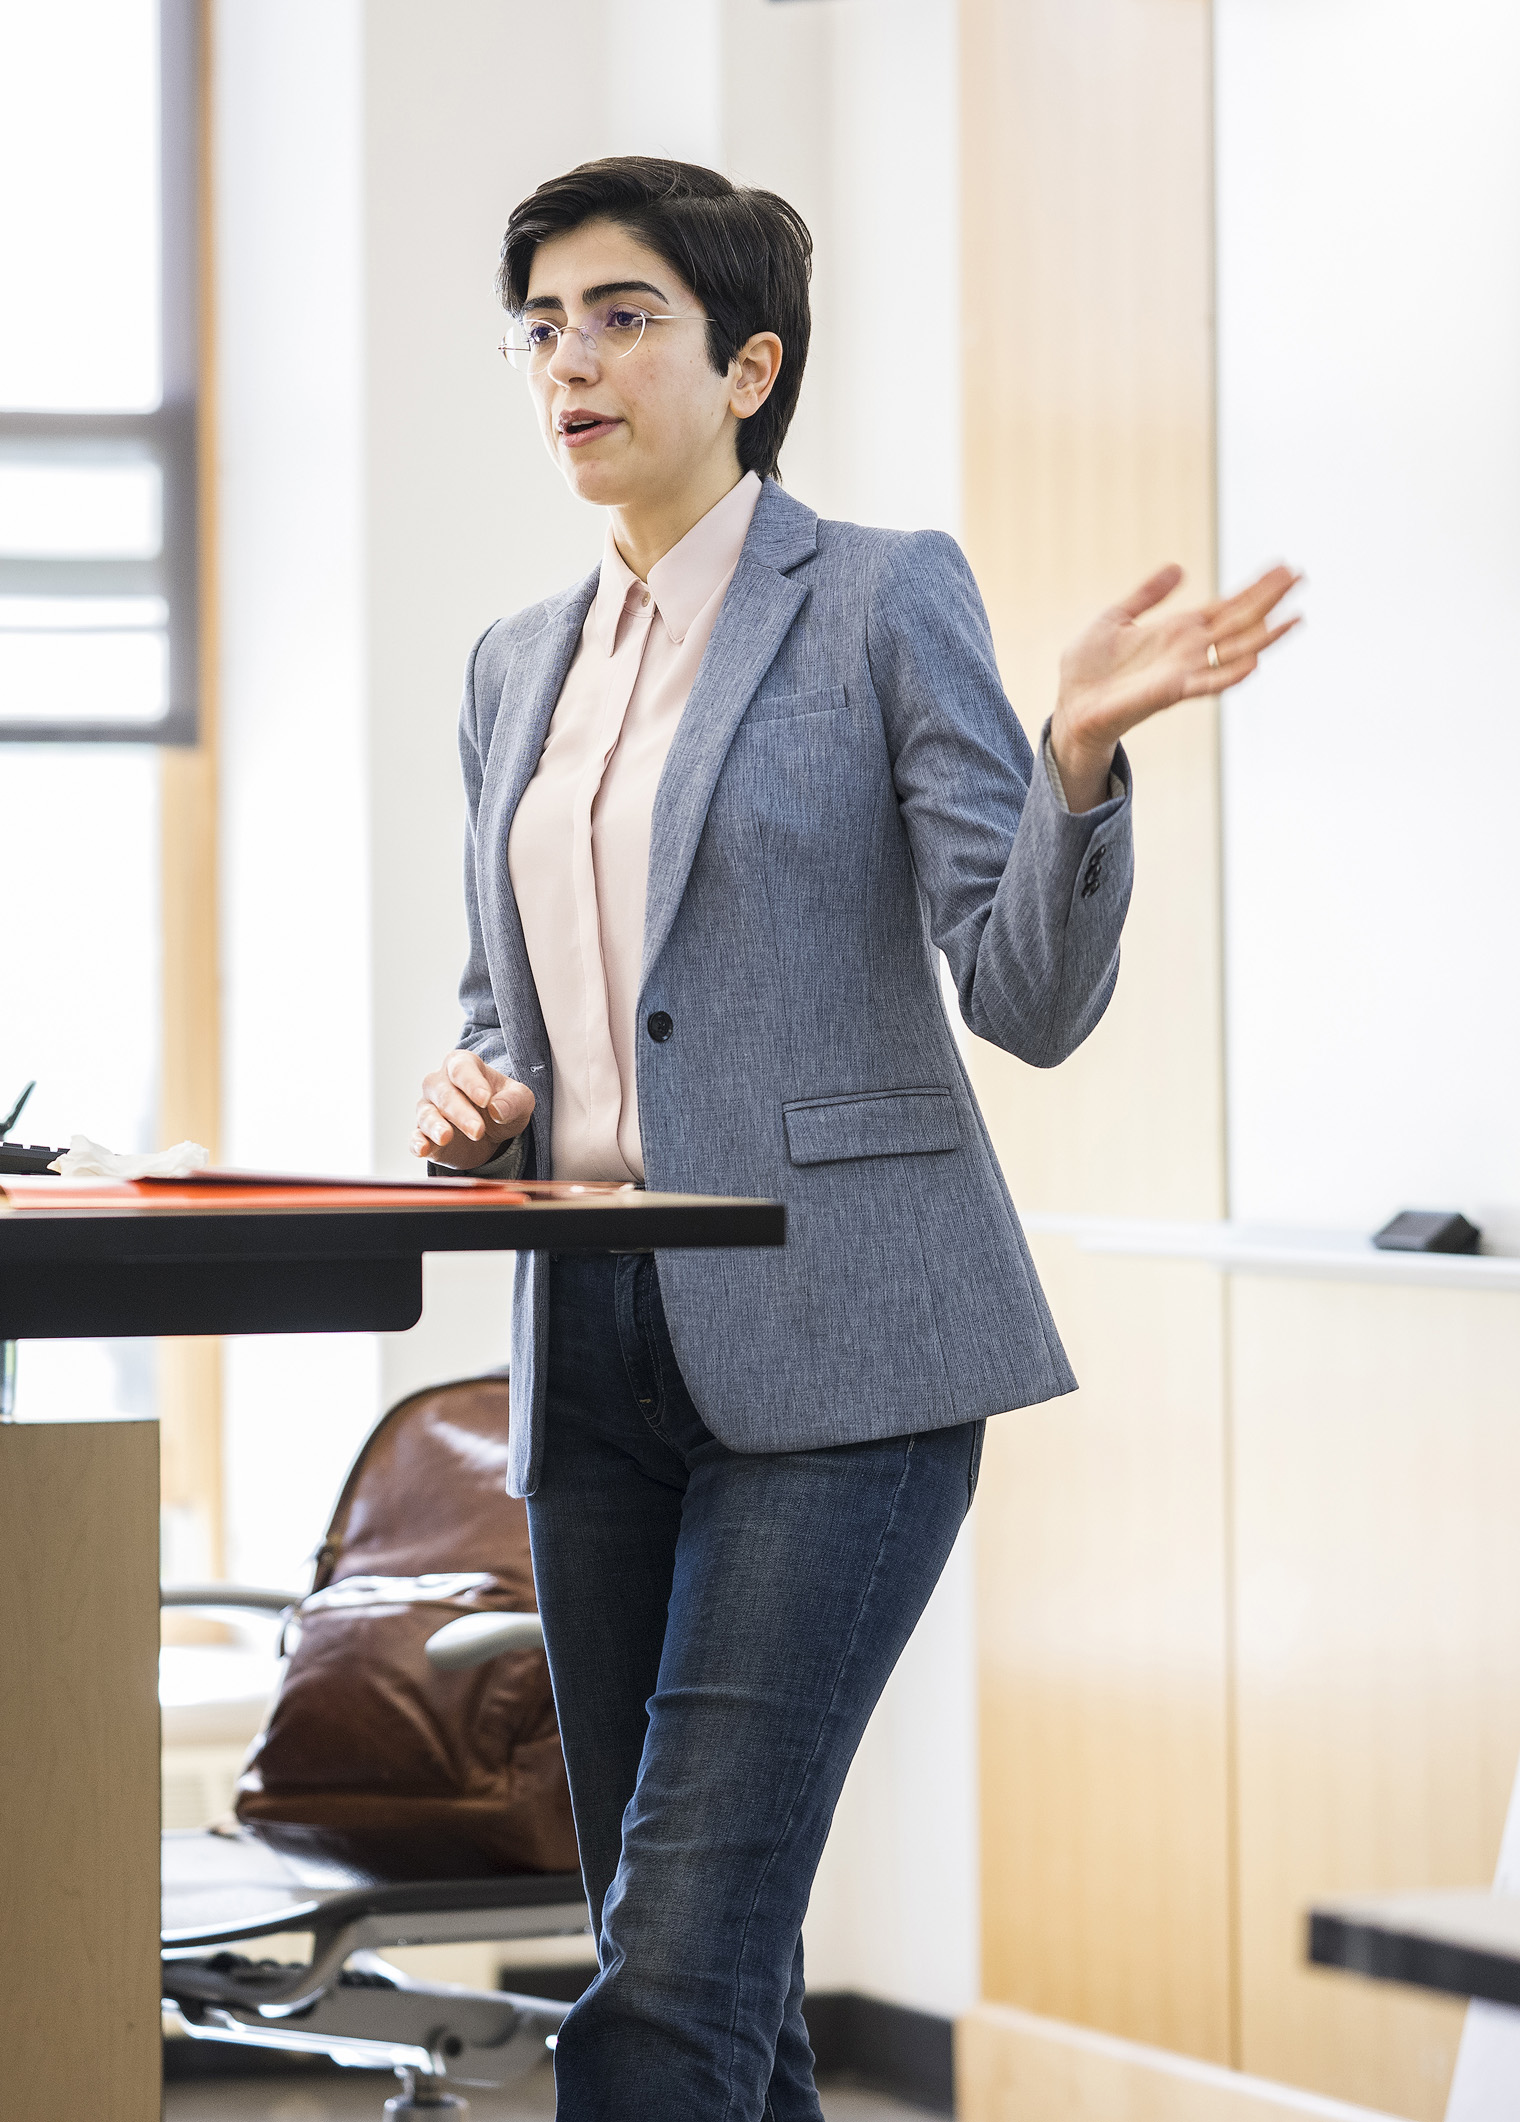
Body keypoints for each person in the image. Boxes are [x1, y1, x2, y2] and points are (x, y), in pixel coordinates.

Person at [411, 157, 1296, 2122]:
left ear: (749, 366)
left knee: (661, 1984)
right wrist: (480, 1101)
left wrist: (1073, 763)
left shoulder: (883, 595)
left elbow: (1028, 991)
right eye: (542, 322)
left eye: (621, 315)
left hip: (851, 1351)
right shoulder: (506, 665)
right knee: (730, 1983)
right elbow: (522, 1008)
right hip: (600, 1345)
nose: (570, 357)